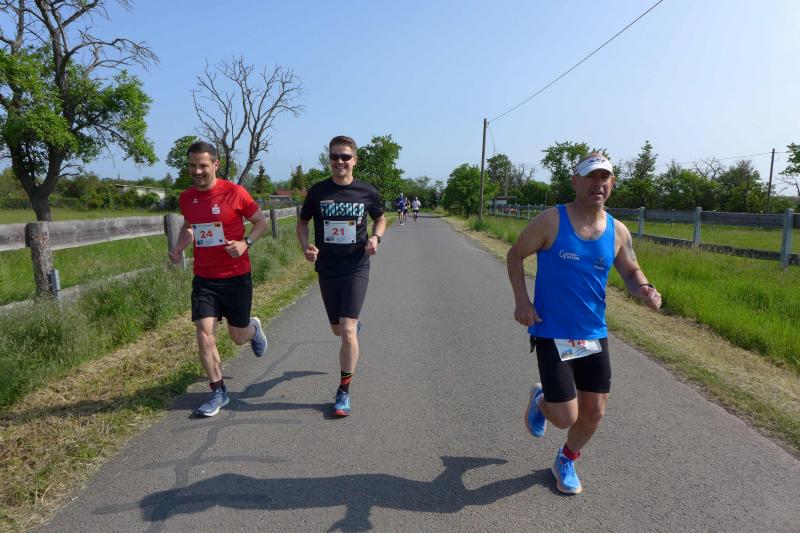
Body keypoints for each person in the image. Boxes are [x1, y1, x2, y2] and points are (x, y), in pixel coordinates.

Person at [506, 152, 661, 494]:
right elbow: (515, 254)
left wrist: (645, 288)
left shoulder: (618, 231)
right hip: (552, 331)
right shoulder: (552, 220)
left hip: (593, 333)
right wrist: (522, 302)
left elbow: (631, 271)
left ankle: (566, 459)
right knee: (565, 417)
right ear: (575, 182)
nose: (598, 184)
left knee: (594, 412)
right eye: (591, 176)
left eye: (605, 177)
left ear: (612, 184)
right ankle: (542, 400)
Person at [169, 141, 270, 417]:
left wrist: (246, 242)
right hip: (204, 278)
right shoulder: (186, 198)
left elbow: (261, 222)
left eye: (203, 165)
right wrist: (179, 247)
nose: (197, 171)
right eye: (192, 166)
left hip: (236, 276)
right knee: (204, 335)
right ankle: (218, 391)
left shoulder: (234, 192)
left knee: (237, 337)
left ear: (215, 164)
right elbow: (189, 227)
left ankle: (253, 329)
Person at [296, 135, 386, 417]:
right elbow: (302, 223)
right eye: (334, 156)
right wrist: (306, 247)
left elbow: (380, 218)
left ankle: (343, 390)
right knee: (338, 329)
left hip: (356, 266)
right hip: (328, 268)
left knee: (346, 330)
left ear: (354, 160)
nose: (339, 161)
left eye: (345, 156)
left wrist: (376, 237)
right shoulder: (318, 192)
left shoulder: (367, 191)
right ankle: (351, 328)